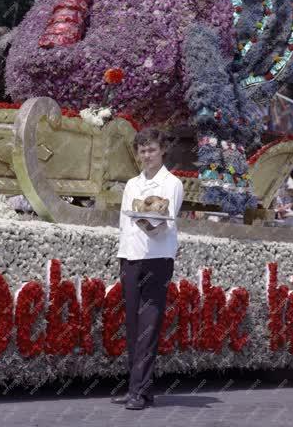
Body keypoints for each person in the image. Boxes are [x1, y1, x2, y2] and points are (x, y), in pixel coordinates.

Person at [112, 128, 183, 410]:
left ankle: (138, 392)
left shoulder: (172, 183)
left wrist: (145, 219)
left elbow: (164, 223)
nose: (147, 155)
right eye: (142, 150)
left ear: (162, 150)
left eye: (151, 149)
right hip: (130, 258)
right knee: (132, 326)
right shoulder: (132, 183)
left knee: (148, 327)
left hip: (157, 258)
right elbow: (123, 224)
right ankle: (139, 388)